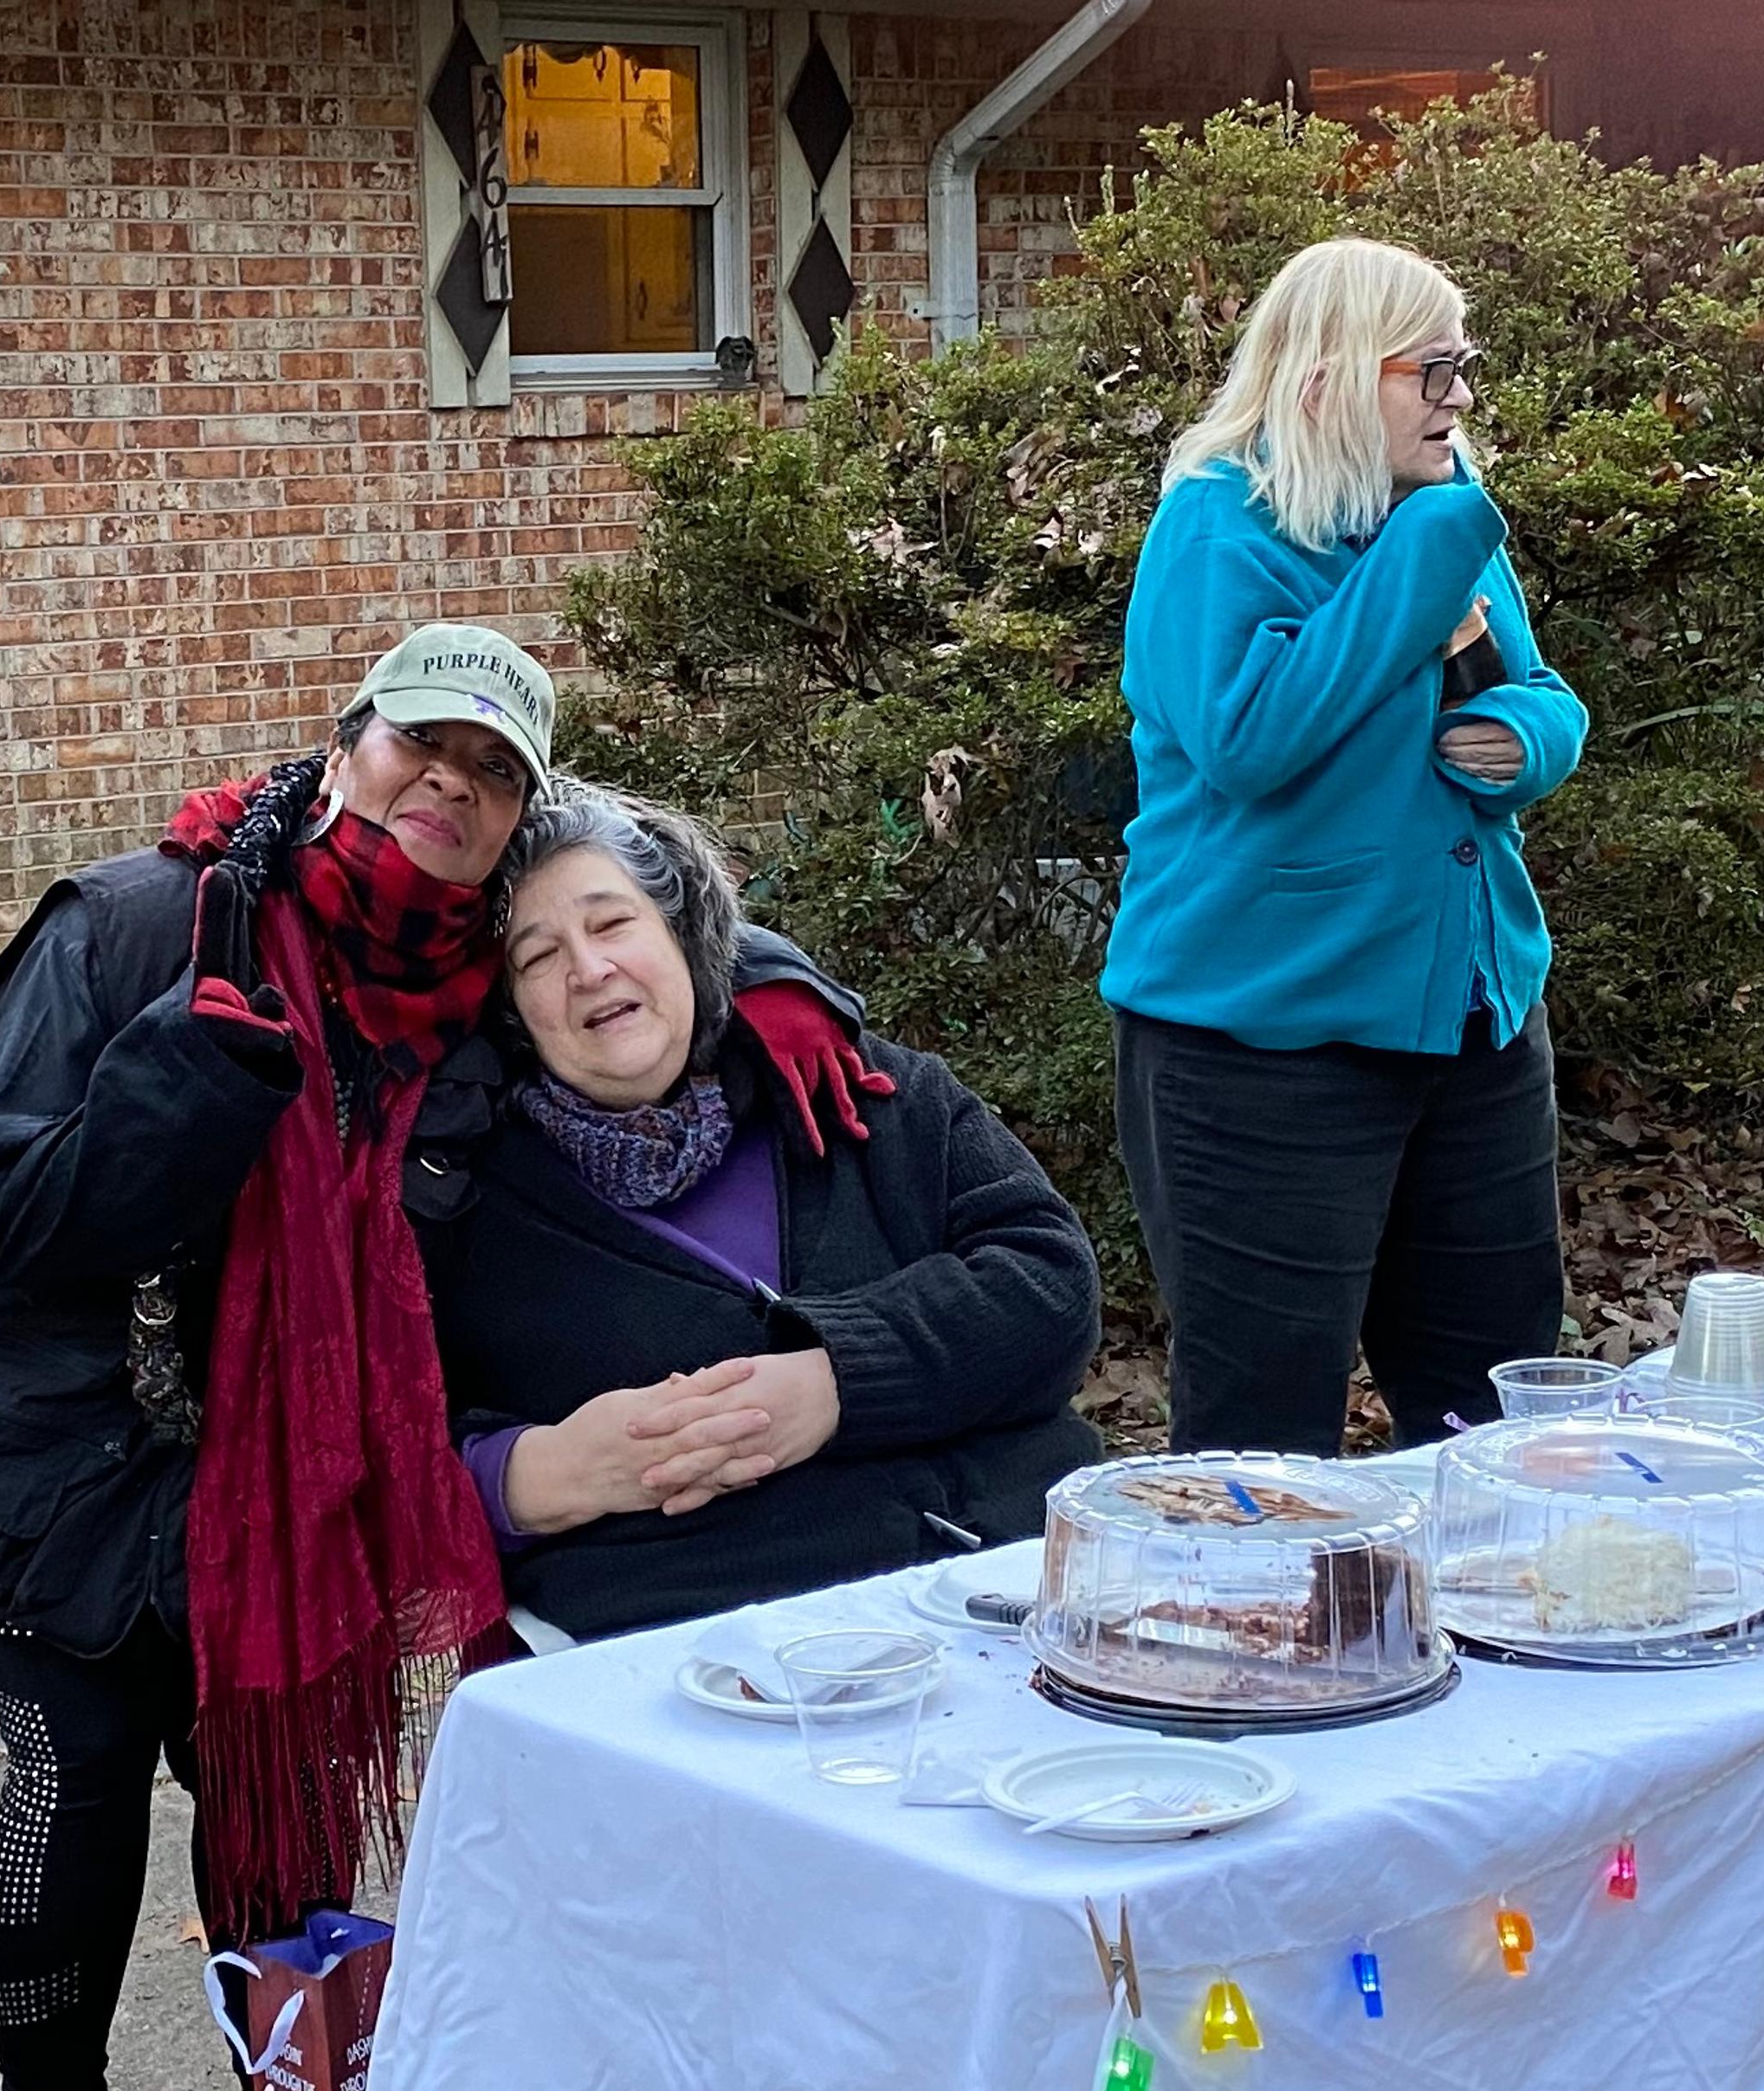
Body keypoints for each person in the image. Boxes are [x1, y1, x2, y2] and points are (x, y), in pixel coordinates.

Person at [0, 626, 882, 2091]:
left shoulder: (462, 969)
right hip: (13, 1398)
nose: (447, 787)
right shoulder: (142, 927)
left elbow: (662, 929)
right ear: (345, 756)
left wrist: (781, 993)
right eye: (422, 747)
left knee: (267, 1763)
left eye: (490, 774)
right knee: (82, 1758)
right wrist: (188, 1074)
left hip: (258, 1420)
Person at [417, 782, 1104, 1645]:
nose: (589, 970)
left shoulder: (866, 1095)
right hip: (701, 1658)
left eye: (612, 924)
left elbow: (1051, 1285)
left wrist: (837, 1383)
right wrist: (547, 1474)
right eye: (537, 955)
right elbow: (400, 1451)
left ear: (687, 938)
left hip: (1010, 1598)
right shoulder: (471, 1202)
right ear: (511, 1012)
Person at [1110, 235, 1588, 1455]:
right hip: (1263, 1048)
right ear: (1326, 377)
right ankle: (1260, 1642)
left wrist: (1518, 741)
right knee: (1263, 1430)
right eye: (1431, 371)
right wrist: (1422, 565)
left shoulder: (1435, 511)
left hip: (1472, 1020)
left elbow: (1537, 692)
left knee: (1492, 1408)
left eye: (1463, 367)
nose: (1461, 398)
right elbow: (1251, 740)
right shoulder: (1220, 530)